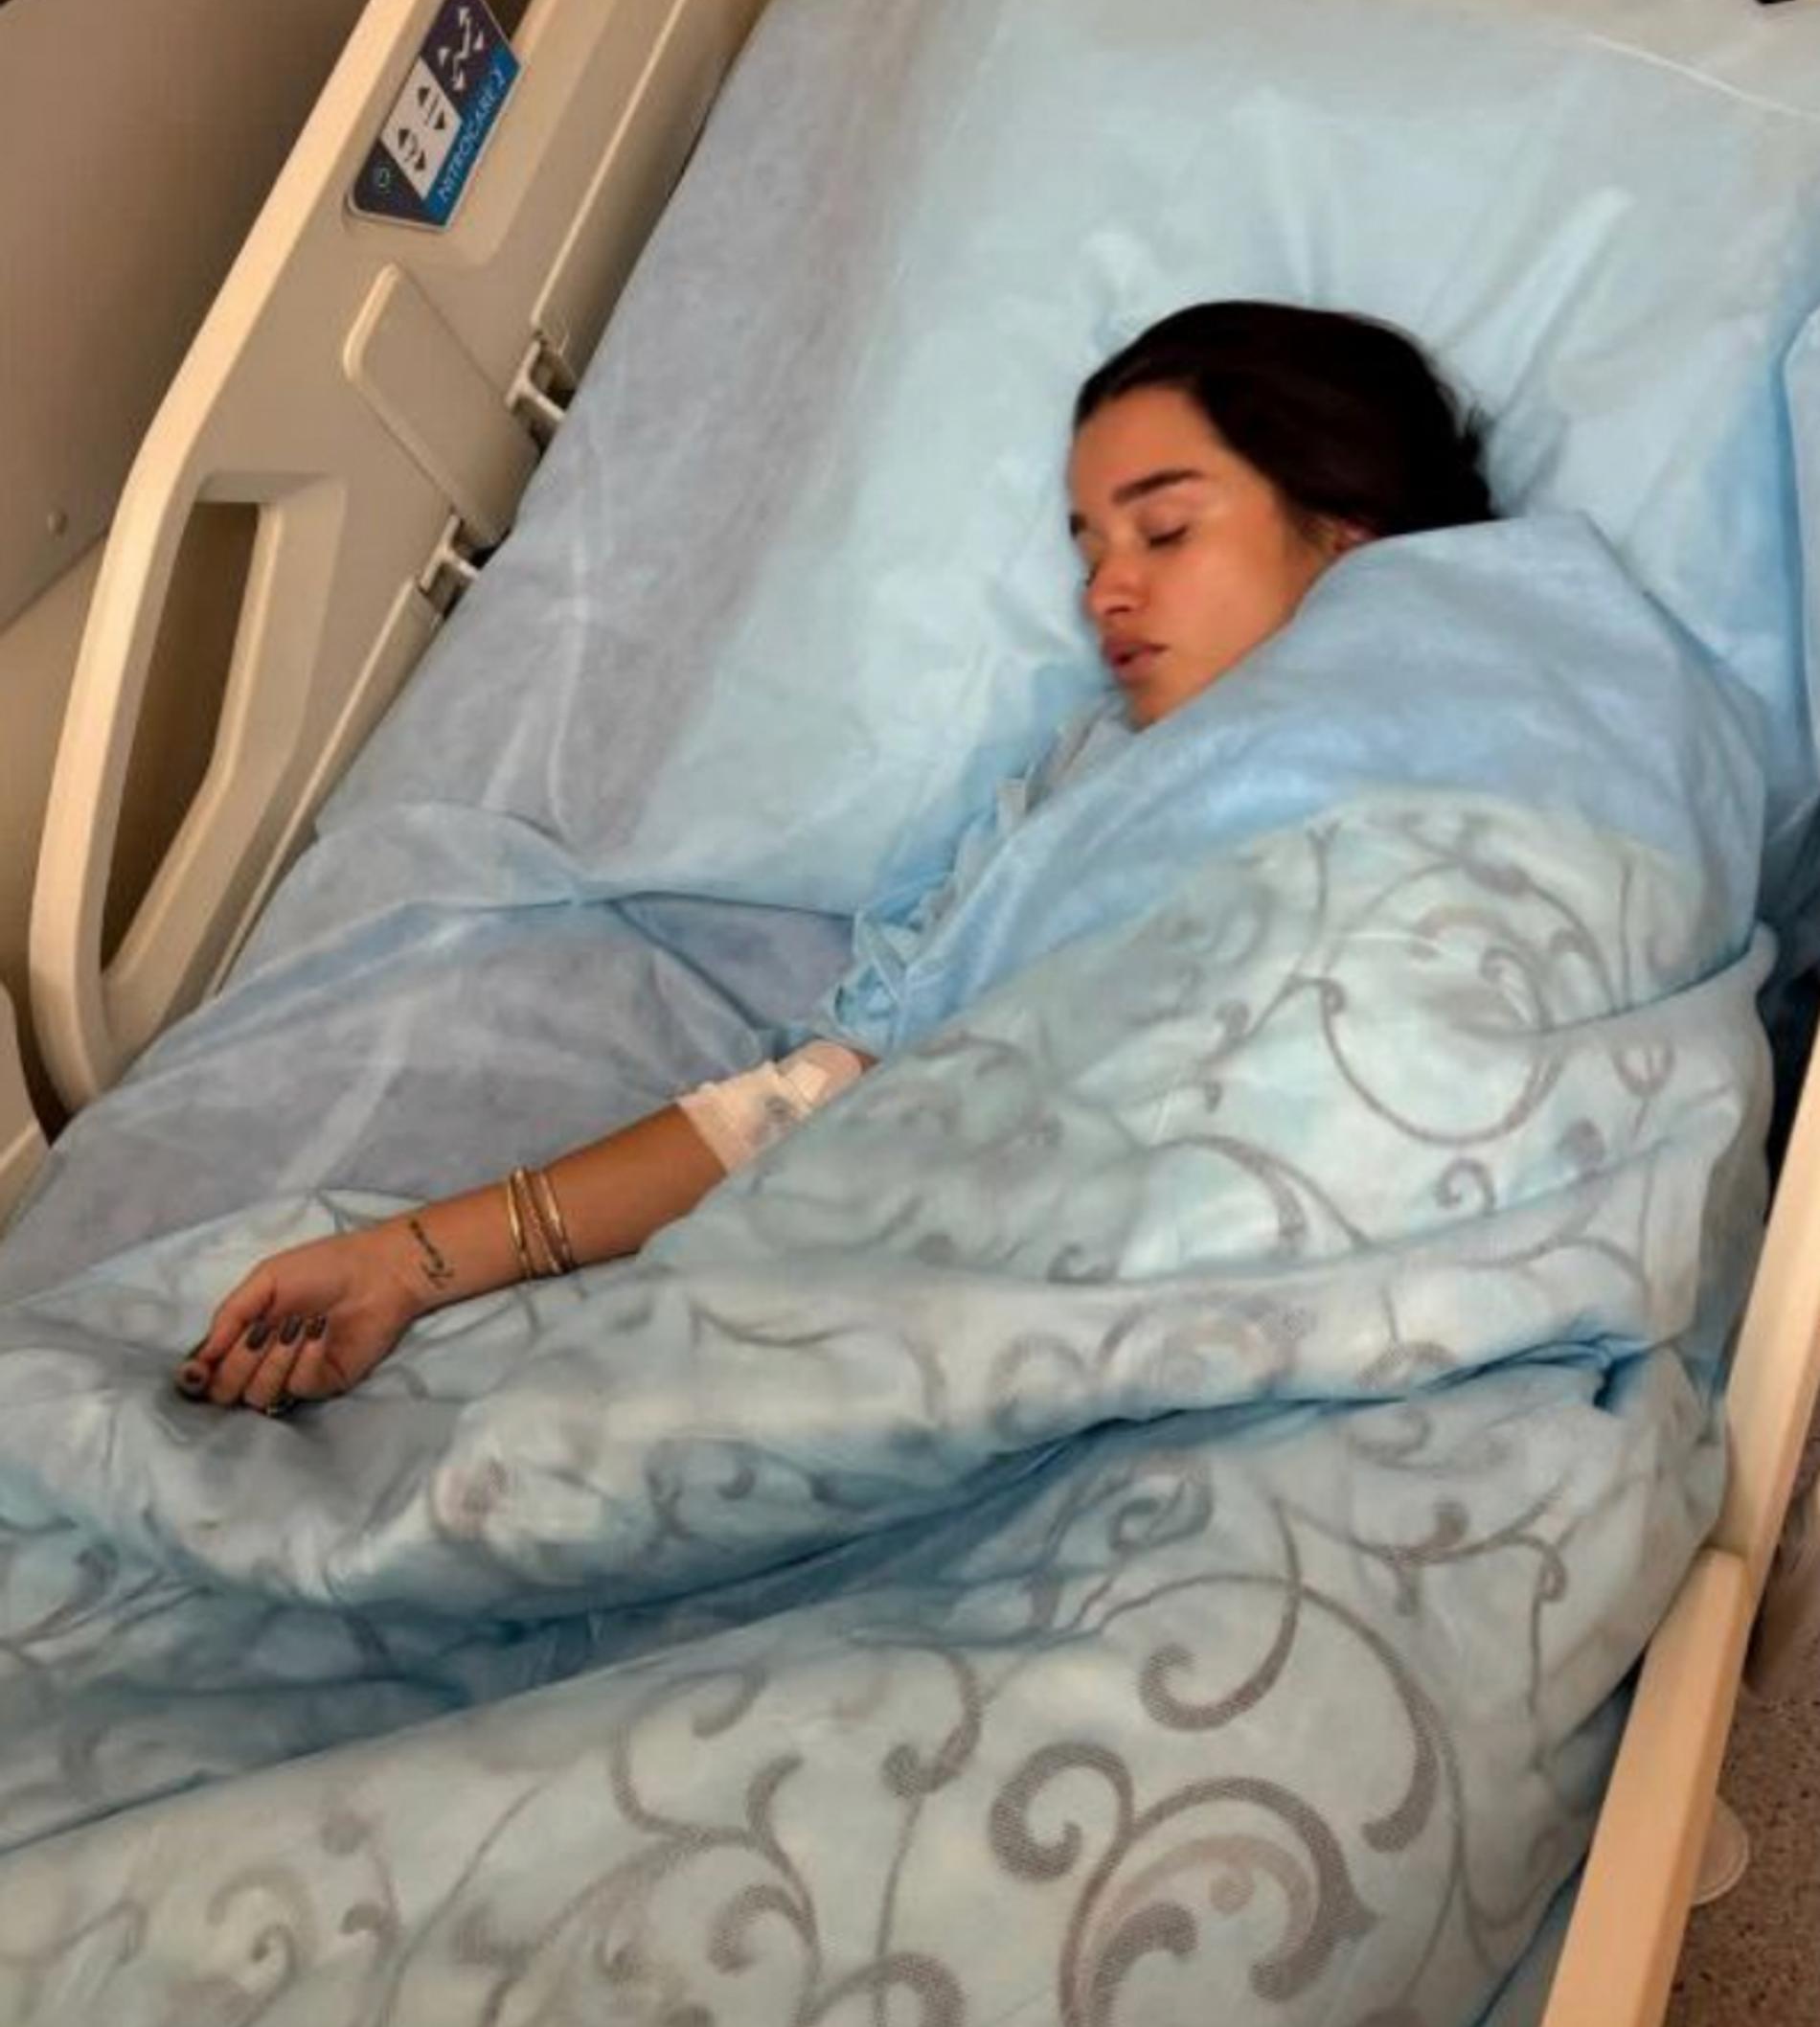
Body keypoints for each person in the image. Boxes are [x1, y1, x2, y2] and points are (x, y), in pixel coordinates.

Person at [175, 300, 1495, 1417]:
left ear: (1345, 530)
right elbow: (822, 1100)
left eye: (1163, 530)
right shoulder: (1081, 792)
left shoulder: (1516, 711)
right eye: (1090, 546)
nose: (1104, 588)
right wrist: (406, 1260)